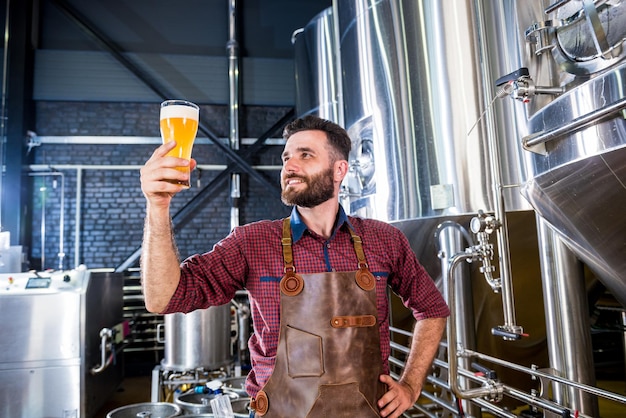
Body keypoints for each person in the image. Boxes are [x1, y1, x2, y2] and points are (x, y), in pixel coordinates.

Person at [140, 115, 449, 418]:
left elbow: (432, 309)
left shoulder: (384, 240)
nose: (289, 165)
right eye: (286, 157)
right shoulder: (253, 242)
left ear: (339, 169)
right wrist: (158, 207)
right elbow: (164, 298)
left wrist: (410, 384)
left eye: (305, 155)